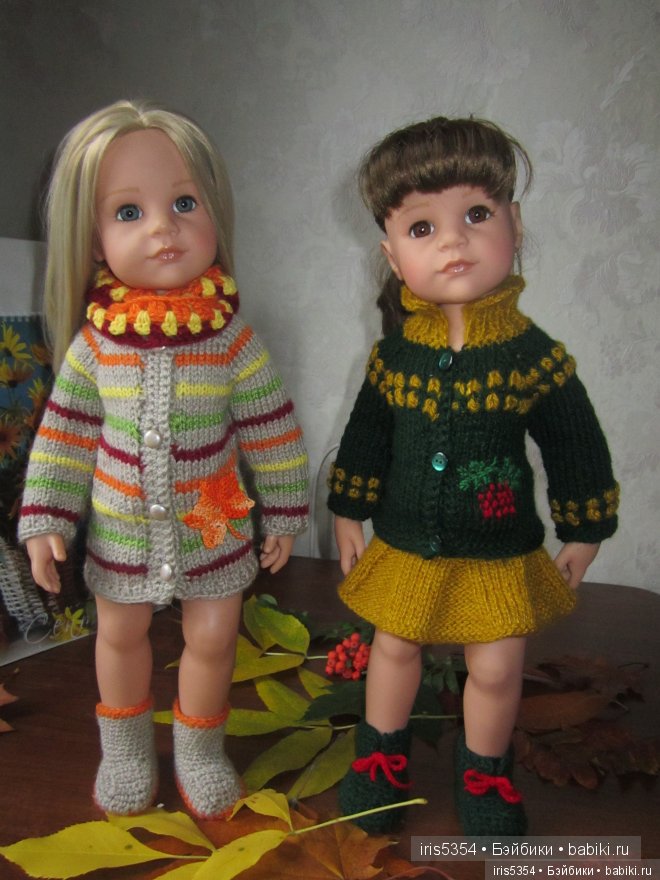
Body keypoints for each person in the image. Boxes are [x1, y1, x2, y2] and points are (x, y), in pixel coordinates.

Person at [328, 116, 618, 835]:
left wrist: (585, 528)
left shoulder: (532, 356)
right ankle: (380, 760)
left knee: (495, 667)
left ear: (514, 223)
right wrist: (348, 509)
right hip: (406, 546)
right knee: (394, 649)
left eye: (477, 215)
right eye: (422, 228)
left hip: (498, 554)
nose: (453, 241)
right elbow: (366, 439)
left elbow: (574, 443)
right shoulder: (393, 358)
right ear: (392, 255)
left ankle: (485, 771)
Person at [18, 100, 309, 819]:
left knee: (214, 635)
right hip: (121, 528)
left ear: (215, 212)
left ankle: (201, 749)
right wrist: (46, 517)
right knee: (119, 633)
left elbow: (271, 427)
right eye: (129, 212)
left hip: (214, 524)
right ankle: (124, 749)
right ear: (93, 240)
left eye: (184, 203)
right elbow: (64, 433)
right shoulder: (96, 345)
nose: (163, 227)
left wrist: (285, 509)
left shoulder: (232, 341)